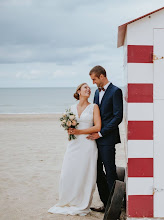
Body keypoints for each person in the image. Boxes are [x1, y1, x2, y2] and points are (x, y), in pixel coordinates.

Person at [48, 83, 101, 216]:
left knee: (85, 173)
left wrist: (79, 131)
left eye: (89, 88)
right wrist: (70, 130)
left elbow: (98, 127)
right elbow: (68, 126)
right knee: (68, 171)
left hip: (88, 144)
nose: (88, 89)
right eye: (85, 88)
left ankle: (81, 202)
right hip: (73, 144)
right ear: (78, 91)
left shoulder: (94, 107)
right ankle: (68, 199)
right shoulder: (71, 108)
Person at [87, 65, 123, 212]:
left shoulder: (116, 91)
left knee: (110, 172)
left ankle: (115, 207)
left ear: (102, 76)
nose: (93, 82)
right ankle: (105, 203)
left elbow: (117, 117)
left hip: (107, 139)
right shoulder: (96, 92)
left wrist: (101, 133)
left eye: (94, 79)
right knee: (97, 172)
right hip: (95, 140)